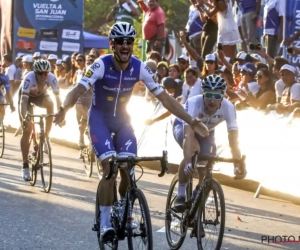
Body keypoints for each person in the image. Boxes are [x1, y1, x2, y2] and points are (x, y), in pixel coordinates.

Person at [53, 22, 209, 242]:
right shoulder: (100, 64)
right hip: (100, 121)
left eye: (129, 42)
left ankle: (125, 209)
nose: (125, 46)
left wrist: (192, 121)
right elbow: (78, 89)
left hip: (124, 122)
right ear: (112, 44)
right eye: (120, 42)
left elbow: (165, 99)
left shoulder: (139, 67)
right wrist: (63, 109)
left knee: (127, 167)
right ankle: (106, 222)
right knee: (109, 168)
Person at [172, 74, 246, 211]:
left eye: (217, 96)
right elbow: (188, 135)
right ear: (203, 94)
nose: (212, 100)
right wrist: (188, 161)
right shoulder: (194, 102)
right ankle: (181, 192)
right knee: (194, 150)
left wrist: (237, 163)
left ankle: (198, 197)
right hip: (184, 126)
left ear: (223, 96)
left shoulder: (228, 107)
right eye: (209, 95)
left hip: (207, 130)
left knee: (207, 160)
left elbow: (233, 140)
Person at [19, 60, 62, 181]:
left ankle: (46, 136)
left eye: (46, 73)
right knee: (27, 130)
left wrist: (60, 114)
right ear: (35, 73)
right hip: (26, 99)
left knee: (50, 103)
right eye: (40, 73)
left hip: (40, 96)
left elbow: (58, 99)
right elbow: (23, 102)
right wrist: (24, 118)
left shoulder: (52, 78)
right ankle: (25, 165)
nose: (43, 76)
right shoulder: (29, 78)